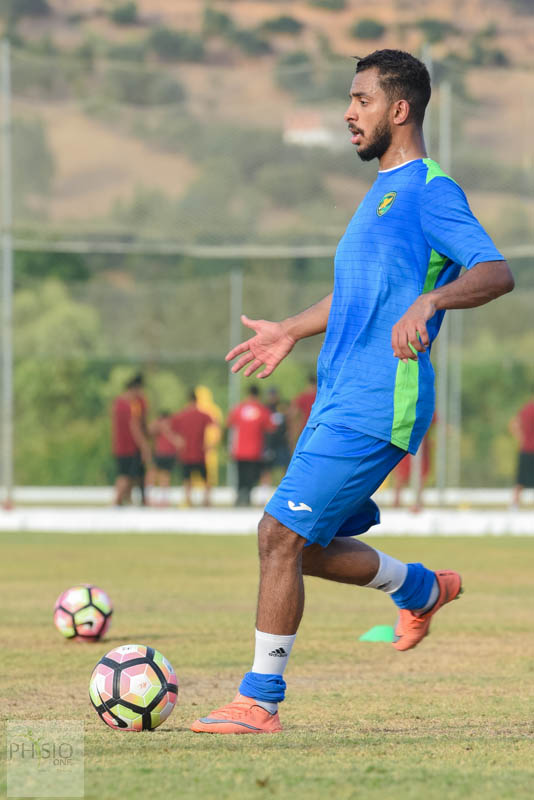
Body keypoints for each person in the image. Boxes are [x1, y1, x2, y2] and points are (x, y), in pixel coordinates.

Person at [191, 49, 514, 735]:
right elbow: (357, 295)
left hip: (379, 399)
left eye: (361, 99)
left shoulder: (431, 190)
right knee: (303, 545)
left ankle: (259, 700)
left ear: (399, 109)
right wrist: (290, 329)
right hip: (339, 396)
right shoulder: (380, 194)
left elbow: (494, 271)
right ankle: (421, 588)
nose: (348, 112)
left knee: (278, 535)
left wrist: (432, 301)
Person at [227, 386, 275, 506]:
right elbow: (271, 428)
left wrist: (229, 446)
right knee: (252, 475)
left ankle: (240, 496)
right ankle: (247, 496)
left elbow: (229, 425)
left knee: (240, 474)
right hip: (255, 450)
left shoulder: (238, 409)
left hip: (239, 449)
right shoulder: (262, 410)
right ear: (258, 395)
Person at [111, 374, 152, 506]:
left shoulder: (119, 403)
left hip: (122, 446)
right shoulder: (129, 405)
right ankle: (117, 501)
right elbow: (134, 426)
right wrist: (144, 445)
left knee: (136, 475)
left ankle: (126, 500)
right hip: (129, 446)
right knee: (126, 475)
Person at [171, 390, 215, 507]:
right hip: (199, 452)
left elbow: (170, 429)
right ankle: (206, 500)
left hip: (186, 452)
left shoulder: (181, 415)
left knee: (187, 478)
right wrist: (211, 444)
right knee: (205, 478)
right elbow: (215, 426)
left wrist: (177, 441)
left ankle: (188, 499)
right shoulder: (203, 415)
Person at [392, 415, 435, 511]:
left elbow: (433, 423)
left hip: (422, 446)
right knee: (402, 475)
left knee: (421, 475)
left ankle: (418, 502)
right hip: (406, 443)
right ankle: (396, 502)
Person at [146, 411, 184, 506]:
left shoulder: (173, 429)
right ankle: (149, 498)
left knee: (165, 476)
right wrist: (158, 424)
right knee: (152, 474)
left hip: (169, 455)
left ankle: (164, 499)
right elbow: (149, 430)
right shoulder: (158, 428)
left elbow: (180, 443)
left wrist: (167, 431)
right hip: (159, 454)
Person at [261, 387, 291, 486]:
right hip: (269, 442)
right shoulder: (265, 408)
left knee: (285, 465)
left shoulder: (283, 407)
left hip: (282, 441)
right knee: (266, 467)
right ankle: (265, 488)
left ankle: (285, 486)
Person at [509, 398, 534, 509]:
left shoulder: (526, 408)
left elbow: (514, 424)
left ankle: (514, 505)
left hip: (525, 449)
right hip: (528, 448)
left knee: (520, 480)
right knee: (521, 479)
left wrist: (521, 437)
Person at [289, 375, 317, 447]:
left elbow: (294, 416)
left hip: (304, 432)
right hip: (319, 431)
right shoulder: (320, 397)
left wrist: (292, 436)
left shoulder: (301, 398)